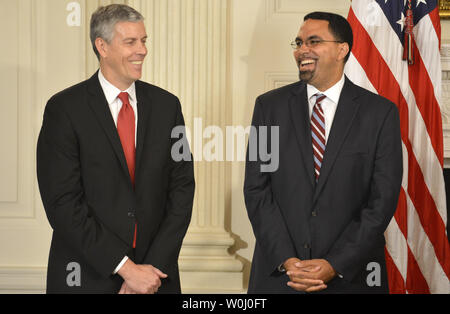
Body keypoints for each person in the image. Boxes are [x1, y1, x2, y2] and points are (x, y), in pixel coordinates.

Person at [37, 4, 195, 294]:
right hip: (85, 276)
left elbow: (183, 188)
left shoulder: (168, 106)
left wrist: (150, 271)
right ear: (102, 46)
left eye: (144, 40)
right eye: (131, 42)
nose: (142, 50)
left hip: (155, 277)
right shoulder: (64, 109)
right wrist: (125, 268)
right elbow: (62, 203)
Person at [244, 11, 402, 293]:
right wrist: (287, 260)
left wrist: (335, 263)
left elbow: (382, 201)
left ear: (342, 49)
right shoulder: (268, 107)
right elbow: (257, 189)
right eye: (299, 43)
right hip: (282, 277)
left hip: (352, 278)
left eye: (313, 41)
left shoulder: (380, 114)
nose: (302, 50)